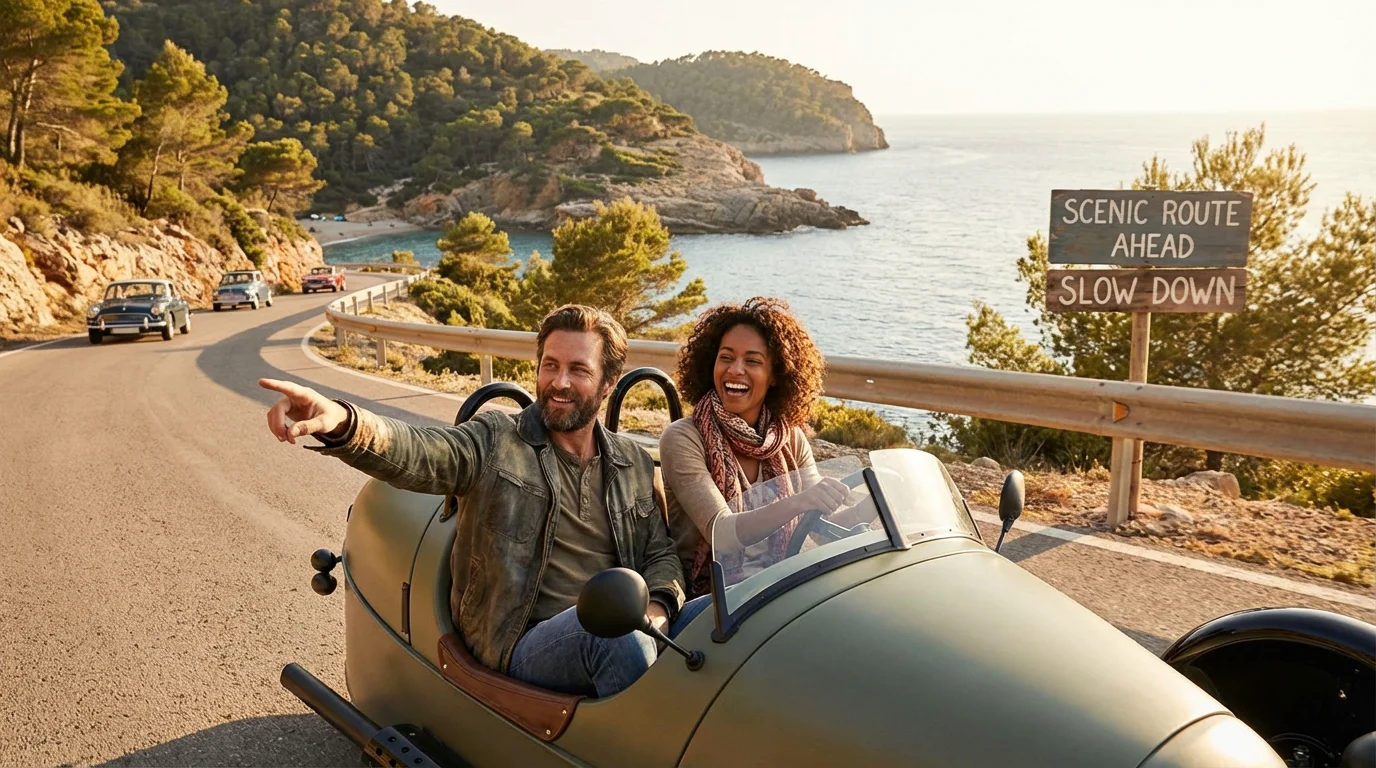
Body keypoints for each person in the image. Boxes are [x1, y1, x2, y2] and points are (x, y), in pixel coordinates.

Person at [260, 305, 689, 698]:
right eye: (550, 366)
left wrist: (657, 608)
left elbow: (660, 555)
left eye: (578, 369)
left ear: (609, 382)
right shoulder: (497, 440)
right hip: (520, 639)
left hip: (623, 619)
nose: (559, 382)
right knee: (614, 636)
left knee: (713, 620)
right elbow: (419, 451)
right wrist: (340, 422)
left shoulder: (632, 462)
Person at [660, 297, 850, 598]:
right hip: (710, 602)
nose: (735, 370)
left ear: (775, 375)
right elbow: (721, 534)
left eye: (752, 361)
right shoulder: (683, 438)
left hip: (780, 589)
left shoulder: (790, 438)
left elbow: (821, 524)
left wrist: (887, 496)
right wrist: (800, 501)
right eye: (726, 357)